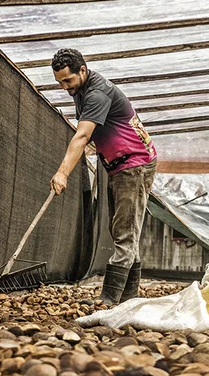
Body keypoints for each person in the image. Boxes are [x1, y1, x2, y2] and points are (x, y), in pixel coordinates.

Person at [50, 48, 157, 305]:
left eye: (68, 80)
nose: (65, 87)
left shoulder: (97, 93)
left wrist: (62, 173)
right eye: (60, 82)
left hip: (134, 165)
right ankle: (128, 297)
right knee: (125, 229)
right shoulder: (81, 90)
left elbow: (83, 135)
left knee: (124, 232)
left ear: (83, 71)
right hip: (119, 166)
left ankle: (109, 299)